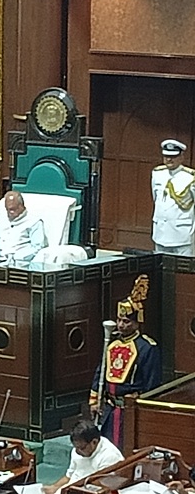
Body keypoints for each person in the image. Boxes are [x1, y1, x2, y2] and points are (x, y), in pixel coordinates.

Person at [89, 274, 161, 449]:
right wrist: (94, 400)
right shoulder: (112, 344)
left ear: (137, 323)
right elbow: (101, 373)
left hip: (130, 411)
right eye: (119, 320)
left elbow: (152, 384)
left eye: (126, 321)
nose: (121, 325)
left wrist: (141, 403)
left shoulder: (147, 348)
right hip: (109, 409)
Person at [42, 420, 123, 494]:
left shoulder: (109, 456)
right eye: (75, 447)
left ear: (94, 442)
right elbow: (69, 476)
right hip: (72, 489)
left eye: (82, 448)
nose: (77, 451)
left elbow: (103, 487)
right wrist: (54, 487)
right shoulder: (77, 450)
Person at [151, 139, 195, 256]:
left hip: (181, 234)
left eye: (173, 156)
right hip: (160, 232)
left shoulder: (190, 177)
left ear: (181, 157)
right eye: (166, 156)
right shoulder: (157, 174)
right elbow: (156, 198)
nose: (169, 159)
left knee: (183, 271)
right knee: (160, 269)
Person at [0, 190, 48, 262]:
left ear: (21, 206)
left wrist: (16, 257)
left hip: (20, 263)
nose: (9, 212)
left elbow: (38, 247)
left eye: (12, 209)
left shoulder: (33, 222)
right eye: (7, 209)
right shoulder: (3, 220)